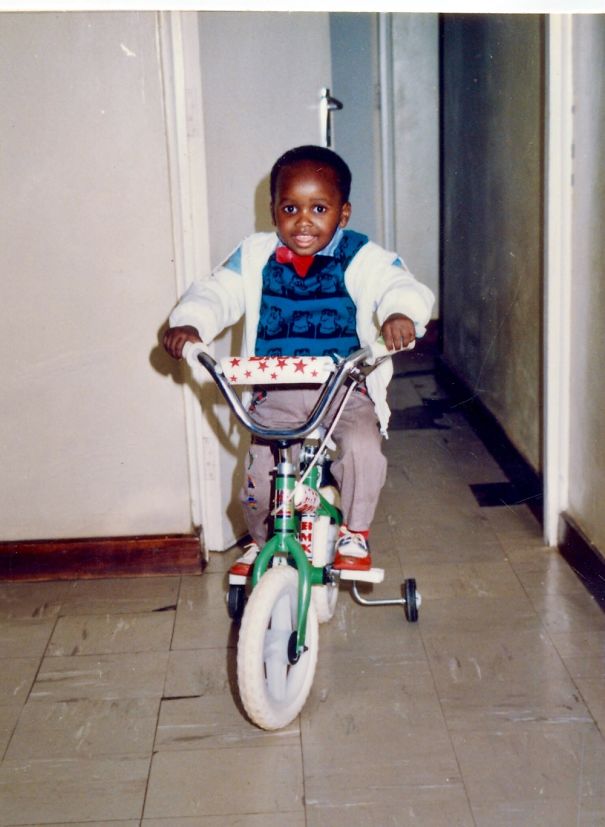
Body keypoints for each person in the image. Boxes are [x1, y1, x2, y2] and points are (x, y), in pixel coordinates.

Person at [163, 145, 434, 574]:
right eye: (290, 207)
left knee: (363, 448)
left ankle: (355, 532)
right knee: (259, 474)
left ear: (343, 214)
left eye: (319, 208)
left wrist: (401, 312)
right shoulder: (255, 256)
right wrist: (192, 323)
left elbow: (397, 282)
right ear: (273, 211)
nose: (303, 220)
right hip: (278, 390)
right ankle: (260, 541)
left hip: (344, 389)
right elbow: (216, 290)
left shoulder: (360, 256)